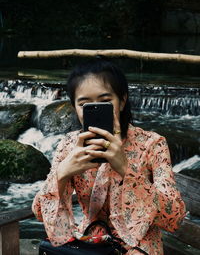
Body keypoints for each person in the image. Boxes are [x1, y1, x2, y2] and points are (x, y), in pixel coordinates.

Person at [32, 57, 186, 255]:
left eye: (105, 102)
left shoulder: (151, 144)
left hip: (139, 246)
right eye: (84, 104)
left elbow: (174, 218)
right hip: (90, 244)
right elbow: (39, 212)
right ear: (75, 108)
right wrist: (62, 174)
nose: (95, 108)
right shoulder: (69, 145)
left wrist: (126, 168)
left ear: (122, 101)